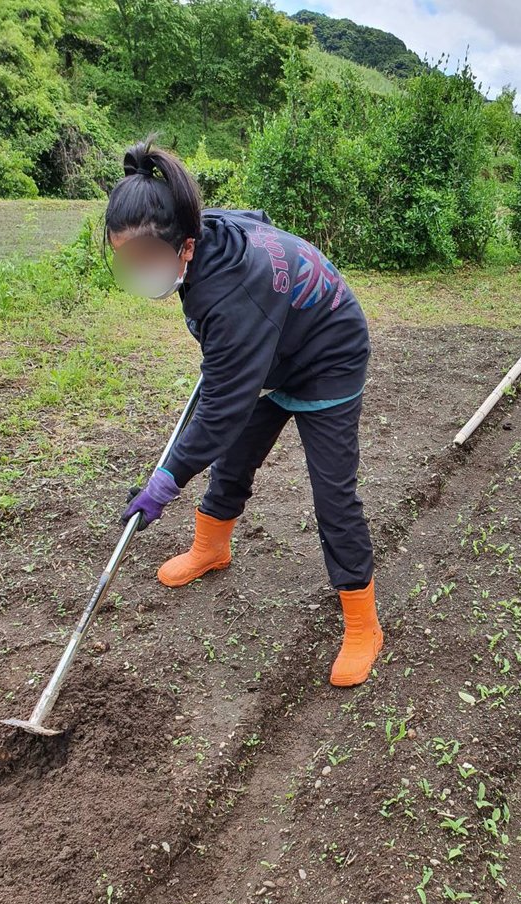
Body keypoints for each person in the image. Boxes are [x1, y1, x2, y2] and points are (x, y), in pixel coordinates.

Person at [104, 137, 382, 688]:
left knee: (332, 492)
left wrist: (165, 482)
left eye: (144, 259)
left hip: (327, 353)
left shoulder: (233, 300)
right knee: (234, 459)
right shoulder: (207, 226)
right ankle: (211, 548)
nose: (135, 271)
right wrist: (253, 345)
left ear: (184, 246)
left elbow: (220, 411)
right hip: (272, 344)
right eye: (124, 259)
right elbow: (262, 219)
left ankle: (362, 623)